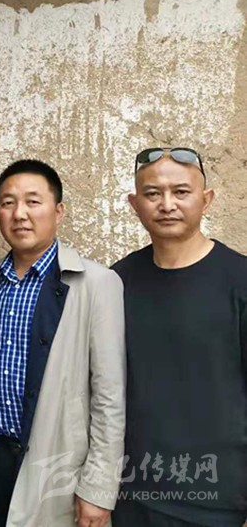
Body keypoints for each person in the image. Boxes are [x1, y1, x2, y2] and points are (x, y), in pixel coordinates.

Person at [0, 159, 125, 527]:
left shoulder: (97, 284)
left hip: (54, 465)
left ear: (59, 211)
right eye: (8, 203)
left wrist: (98, 489)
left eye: (33, 202)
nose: (19, 214)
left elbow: (109, 397)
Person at [111, 147, 247, 527]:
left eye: (181, 192)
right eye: (153, 194)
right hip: (133, 499)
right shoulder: (116, 282)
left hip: (219, 505)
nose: (167, 204)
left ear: (206, 200)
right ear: (135, 204)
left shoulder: (240, 281)